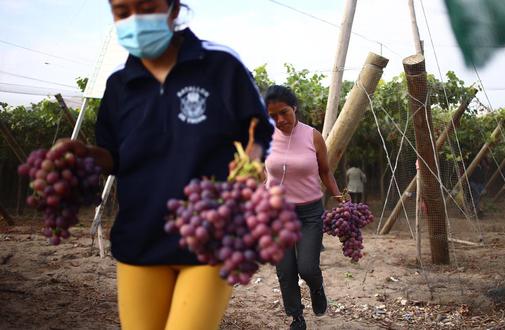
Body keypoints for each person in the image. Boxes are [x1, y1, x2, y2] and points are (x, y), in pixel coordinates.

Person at [56, 0, 274, 328]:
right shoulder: (119, 84)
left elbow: (258, 133)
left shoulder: (221, 66)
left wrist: (249, 167)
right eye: (122, 11)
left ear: (173, 9)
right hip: (139, 240)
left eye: (146, 7)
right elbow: (114, 157)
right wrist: (84, 154)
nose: (134, 19)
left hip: (208, 239)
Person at [264, 85, 342, 330]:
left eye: (284, 112)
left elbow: (325, 172)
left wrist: (340, 199)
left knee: (307, 267)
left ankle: (316, 288)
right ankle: (296, 317)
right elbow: (259, 173)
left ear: (294, 108)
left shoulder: (312, 136)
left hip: (309, 213)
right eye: (273, 115)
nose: (279, 120)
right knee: (285, 271)